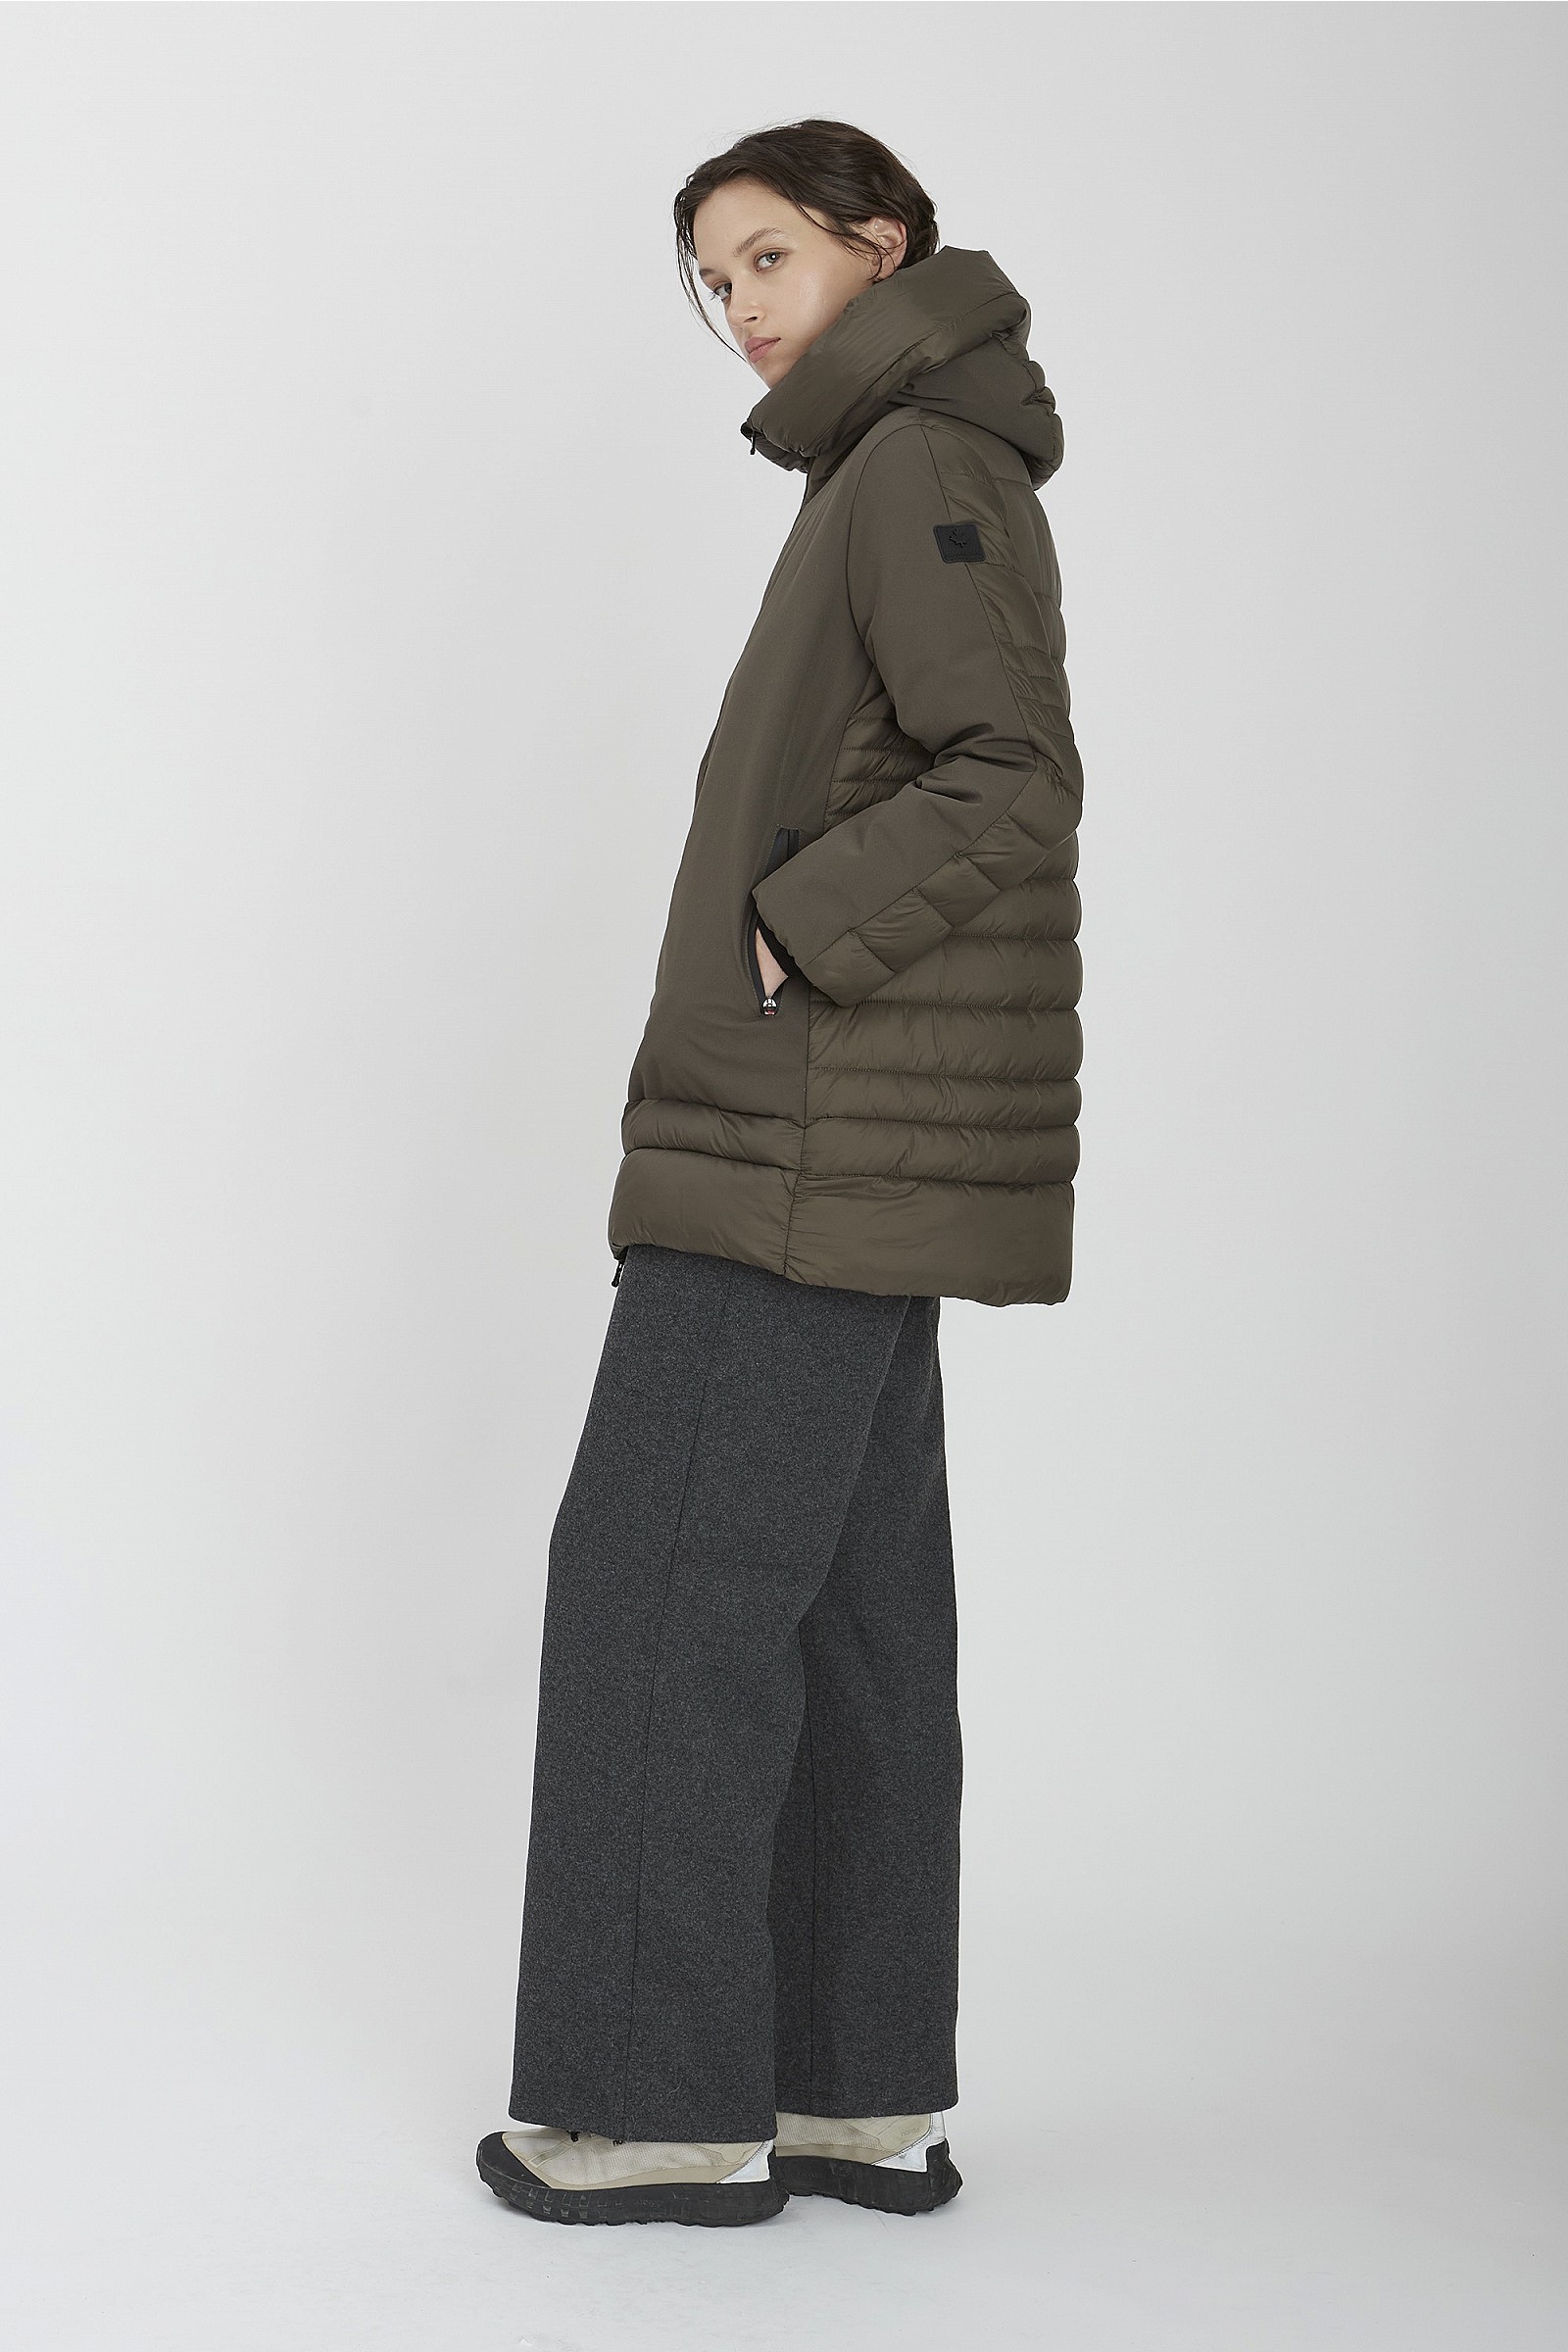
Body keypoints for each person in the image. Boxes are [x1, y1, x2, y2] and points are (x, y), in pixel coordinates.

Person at [476, 117, 1084, 2229]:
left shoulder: (909, 462)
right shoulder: (903, 460)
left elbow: (1007, 775)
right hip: (845, 1139)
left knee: (658, 1592)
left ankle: (661, 2106)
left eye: (765, 258)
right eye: (710, 280)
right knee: (843, 1623)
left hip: (806, 1138)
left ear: (878, 245)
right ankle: (846, 2088)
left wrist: (792, 932)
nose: (736, 308)